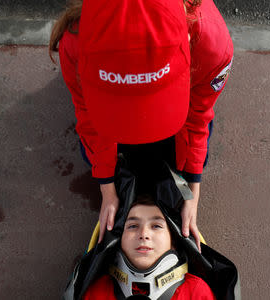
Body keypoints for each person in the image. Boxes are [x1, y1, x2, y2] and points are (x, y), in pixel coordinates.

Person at [49, 0, 233, 251]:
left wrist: (192, 192)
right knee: (96, 156)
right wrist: (107, 189)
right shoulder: (74, 43)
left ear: (187, 39)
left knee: (186, 159)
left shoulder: (211, 45)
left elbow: (198, 116)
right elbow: (89, 119)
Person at [83, 195, 216, 300]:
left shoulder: (197, 293)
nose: (144, 234)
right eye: (133, 226)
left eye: (156, 226)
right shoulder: (97, 292)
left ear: (174, 241)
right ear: (118, 240)